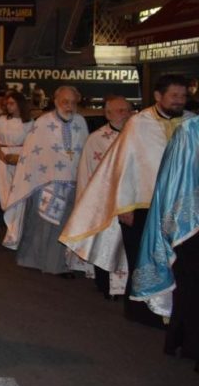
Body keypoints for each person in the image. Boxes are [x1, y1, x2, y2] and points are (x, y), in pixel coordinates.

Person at [61, 74, 194, 327]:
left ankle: (176, 311)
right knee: (141, 259)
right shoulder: (138, 124)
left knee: (178, 261)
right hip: (141, 206)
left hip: (179, 207)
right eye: (174, 95)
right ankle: (143, 312)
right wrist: (124, 205)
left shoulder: (191, 123)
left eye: (183, 96)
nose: (179, 100)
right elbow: (123, 167)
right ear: (158, 96)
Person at [132, 115, 199, 369]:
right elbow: (174, 183)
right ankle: (188, 342)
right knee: (192, 288)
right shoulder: (189, 131)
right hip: (191, 227)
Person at [2, 87, 88, 274]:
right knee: (42, 225)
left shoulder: (81, 122)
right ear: (56, 101)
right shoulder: (43, 123)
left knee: (65, 225)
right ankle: (34, 261)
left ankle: (60, 265)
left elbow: (84, 151)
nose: (69, 106)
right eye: (65, 101)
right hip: (45, 182)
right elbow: (32, 153)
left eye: (73, 102)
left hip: (72, 182)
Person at [73, 95, 133, 296]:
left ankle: (128, 287)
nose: (126, 114)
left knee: (129, 245)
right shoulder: (97, 139)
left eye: (128, 110)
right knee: (106, 243)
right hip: (104, 200)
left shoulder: (138, 134)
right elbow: (90, 172)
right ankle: (106, 286)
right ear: (108, 114)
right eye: (120, 111)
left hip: (132, 199)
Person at [0, 91, 33, 210]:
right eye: (7, 103)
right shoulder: (1, 120)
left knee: (19, 184)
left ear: (19, 104)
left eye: (12, 103)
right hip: (3, 155)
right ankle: (7, 211)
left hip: (21, 155)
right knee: (4, 185)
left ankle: (18, 213)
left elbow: (32, 143)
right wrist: (0, 153)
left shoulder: (29, 122)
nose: (8, 106)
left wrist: (20, 157)